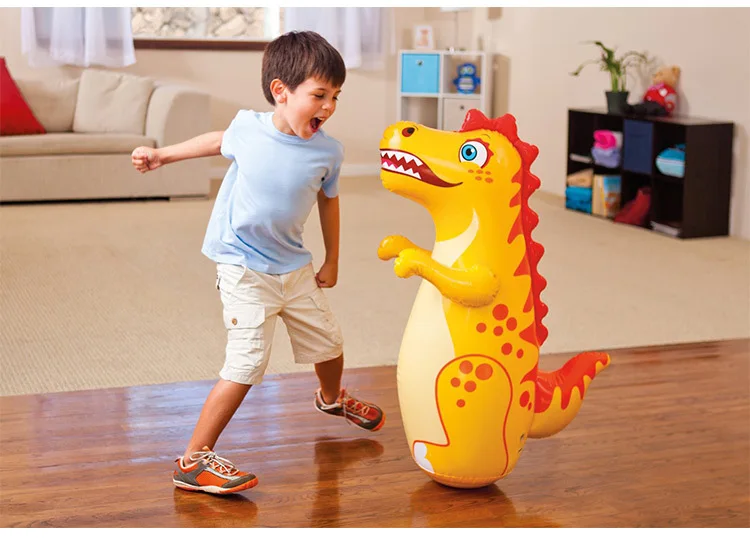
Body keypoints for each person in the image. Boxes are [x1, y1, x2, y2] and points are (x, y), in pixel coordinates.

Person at [131, 31, 385, 496]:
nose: (329, 107)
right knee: (247, 363)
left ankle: (331, 399)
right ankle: (193, 460)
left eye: (336, 96)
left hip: (295, 267)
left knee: (330, 343)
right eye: (319, 95)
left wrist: (333, 259)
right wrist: (163, 155)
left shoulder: (329, 151)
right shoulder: (248, 128)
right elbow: (216, 142)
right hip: (243, 266)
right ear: (280, 91)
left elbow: (329, 202)